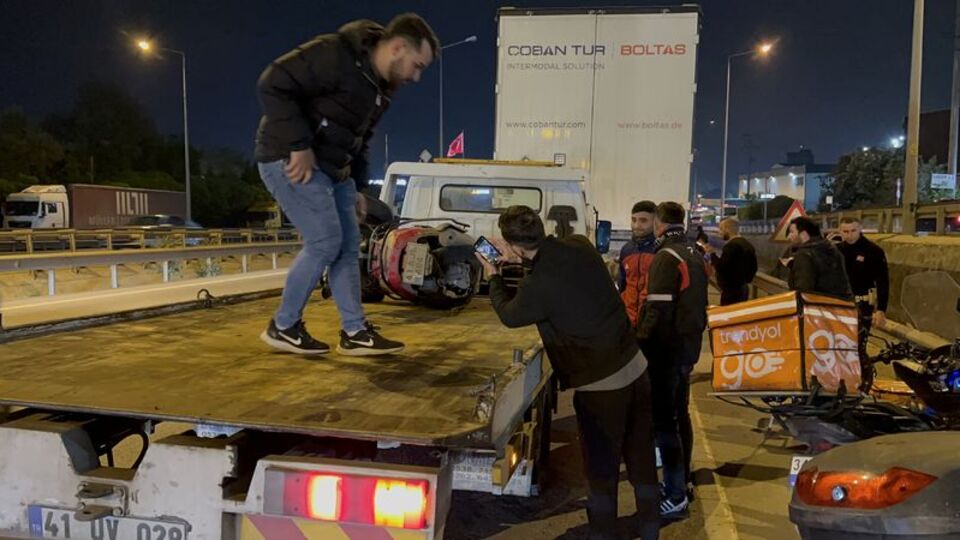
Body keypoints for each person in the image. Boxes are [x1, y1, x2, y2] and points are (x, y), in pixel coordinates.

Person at [254, 14, 438, 356]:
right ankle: (283, 325)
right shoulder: (335, 53)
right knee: (325, 242)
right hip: (290, 160)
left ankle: (354, 331)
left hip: (334, 171)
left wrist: (355, 186)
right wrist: (298, 145)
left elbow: (359, 139)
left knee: (350, 247)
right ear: (398, 47)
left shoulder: (380, 88)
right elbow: (272, 83)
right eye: (417, 65)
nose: (417, 76)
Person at [476, 206, 660, 540]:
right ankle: (650, 526)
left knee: (601, 466)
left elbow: (510, 314)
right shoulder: (579, 245)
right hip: (636, 366)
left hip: (601, 384)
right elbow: (560, 276)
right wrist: (525, 263)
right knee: (640, 452)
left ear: (514, 246)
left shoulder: (538, 286)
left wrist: (493, 275)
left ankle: (603, 533)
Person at [636, 202, 708, 521]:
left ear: (659, 224)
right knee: (681, 416)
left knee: (665, 424)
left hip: (667, 352)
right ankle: (682, 483)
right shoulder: (694, 252)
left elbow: (658, 311)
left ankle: (675, 494)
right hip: (688, 350)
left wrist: (640, 344)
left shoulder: (666, 257)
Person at [837, 217, 889, 359]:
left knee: (857, 346)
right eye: (846, 231)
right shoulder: (836, 251)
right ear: (840, 232)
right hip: (840, 303)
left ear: (860, 229)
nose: (850, 234)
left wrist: (881, 310)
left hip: (863, 305)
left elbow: (883, 281)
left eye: (853, 230)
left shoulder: (873, 251)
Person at [785, 216, 853, 299]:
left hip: (819, 308)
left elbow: (803, 293)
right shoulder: (833, 249)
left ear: (803, 234)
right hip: (841, 306)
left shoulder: (804, 255)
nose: (789, 237)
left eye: (792, 232)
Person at [619, 200, 658, 327]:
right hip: (628, 322)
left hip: (653, 324)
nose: (636, 225)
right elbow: (623, 285)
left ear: (655, 222)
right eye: (634, 220)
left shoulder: (661, 251)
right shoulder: (626, 250)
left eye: (643, 220)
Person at [706, 218, 758, 305]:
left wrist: (712, 254)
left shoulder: (731, 246)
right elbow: (754, 268)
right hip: (743, 289)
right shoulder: (748, 245)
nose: (719, 232)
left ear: (727, 229)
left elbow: (721, 268)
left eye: (721, 229)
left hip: (731, 292)